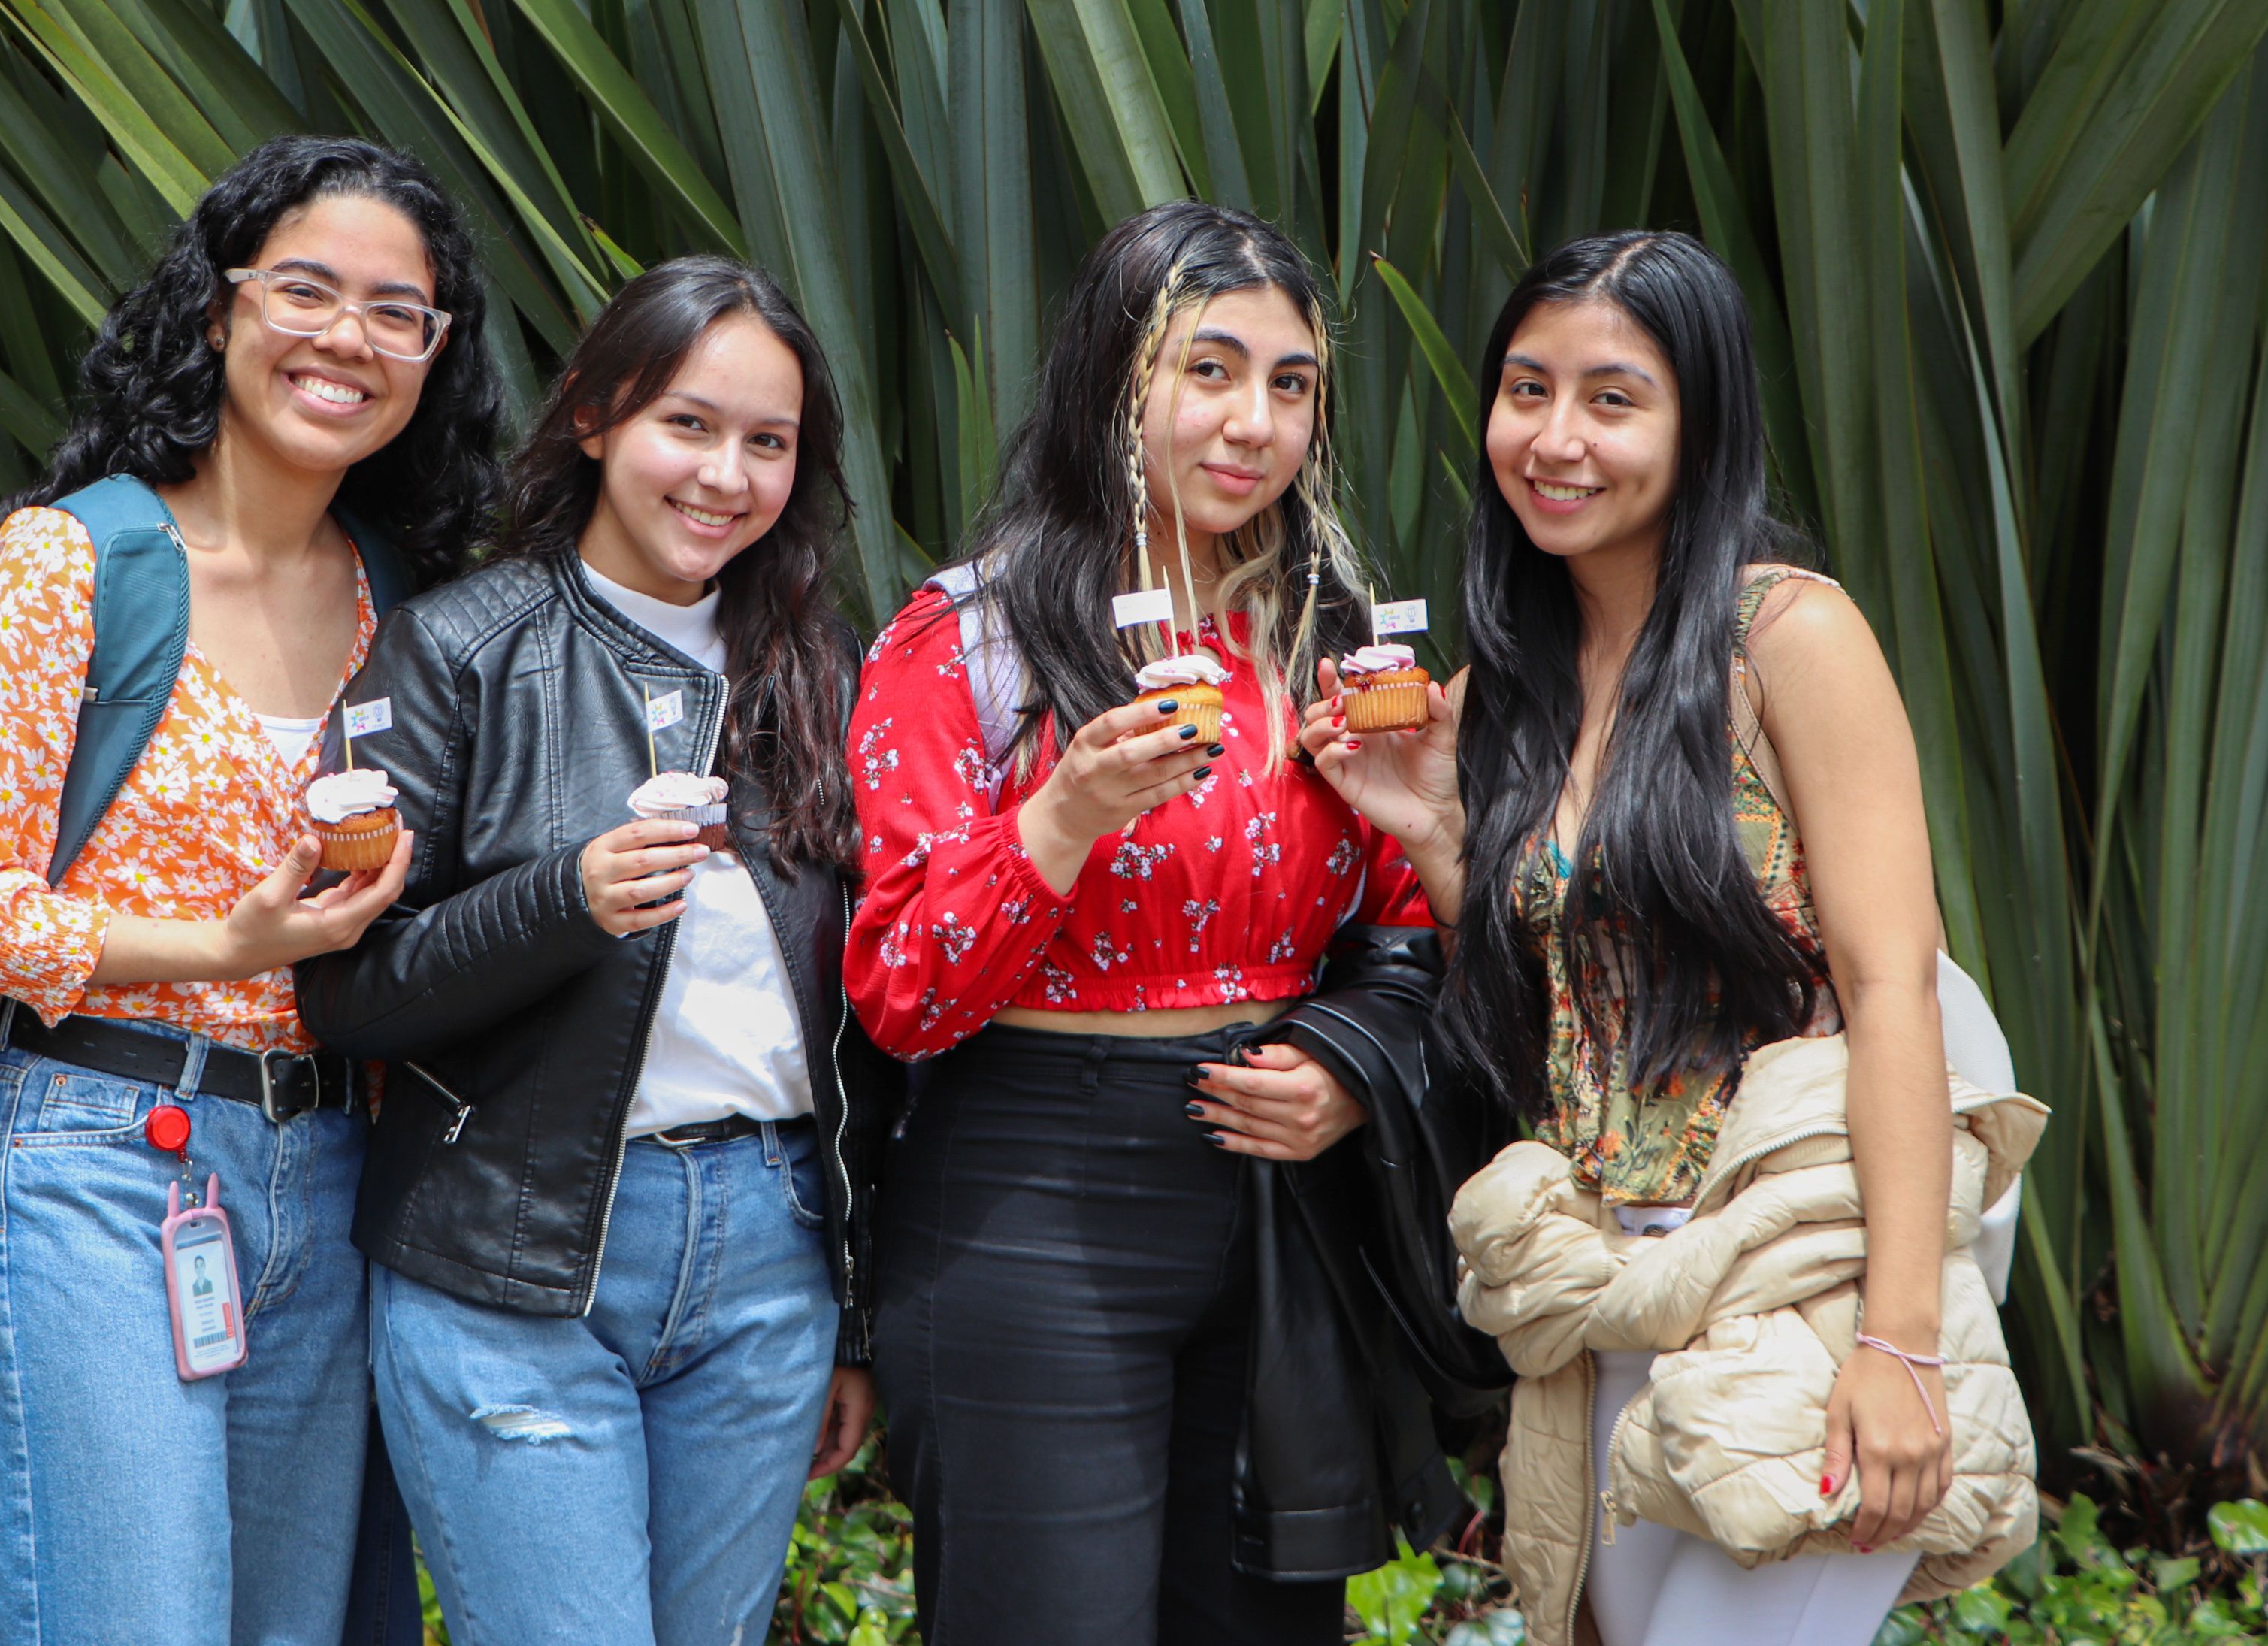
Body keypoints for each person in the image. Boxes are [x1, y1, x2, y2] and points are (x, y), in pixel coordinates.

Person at [1300, 231, 2033, 1646]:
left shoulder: (1788, 638)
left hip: (1799, 1285)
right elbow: (1559, 1032)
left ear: (1701, 427)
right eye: (1527, 390)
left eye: (1613, 398)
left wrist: (1899, 1346)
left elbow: (1893, 992)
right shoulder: (1511, 679)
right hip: (1608, 1294)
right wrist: (1442, 843)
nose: (1556, 439)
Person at [0, 135, 506, 1646]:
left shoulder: (399, 596)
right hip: (96, 1152)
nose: (347, 336)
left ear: (433, 354)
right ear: (219, 312)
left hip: (329, 1174)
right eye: (307, 288)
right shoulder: (72, 567)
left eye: (396, 310)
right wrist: (222, 940)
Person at [845, 200, 1462, 1646]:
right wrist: (1061, 816)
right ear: (1116, 379)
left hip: (1274, 1196)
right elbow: (897, 992)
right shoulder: (972, 639)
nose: (1254, 422)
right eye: (1210, 369)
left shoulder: (1334, 634)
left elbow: (1413, 931)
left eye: (1291, 383)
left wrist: (1347, 1070)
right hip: (1033, 1191)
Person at [295, 256, 895, 1646]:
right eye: (687, 424)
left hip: (768, 1248)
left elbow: (866, 1024)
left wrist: (850, 1314)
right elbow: (344, 987)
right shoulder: (457, 652)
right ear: (594, 417)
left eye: (768, 442)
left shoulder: (825, 669)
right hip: (511, 1251)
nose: (724, 475)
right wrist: (563, 902)